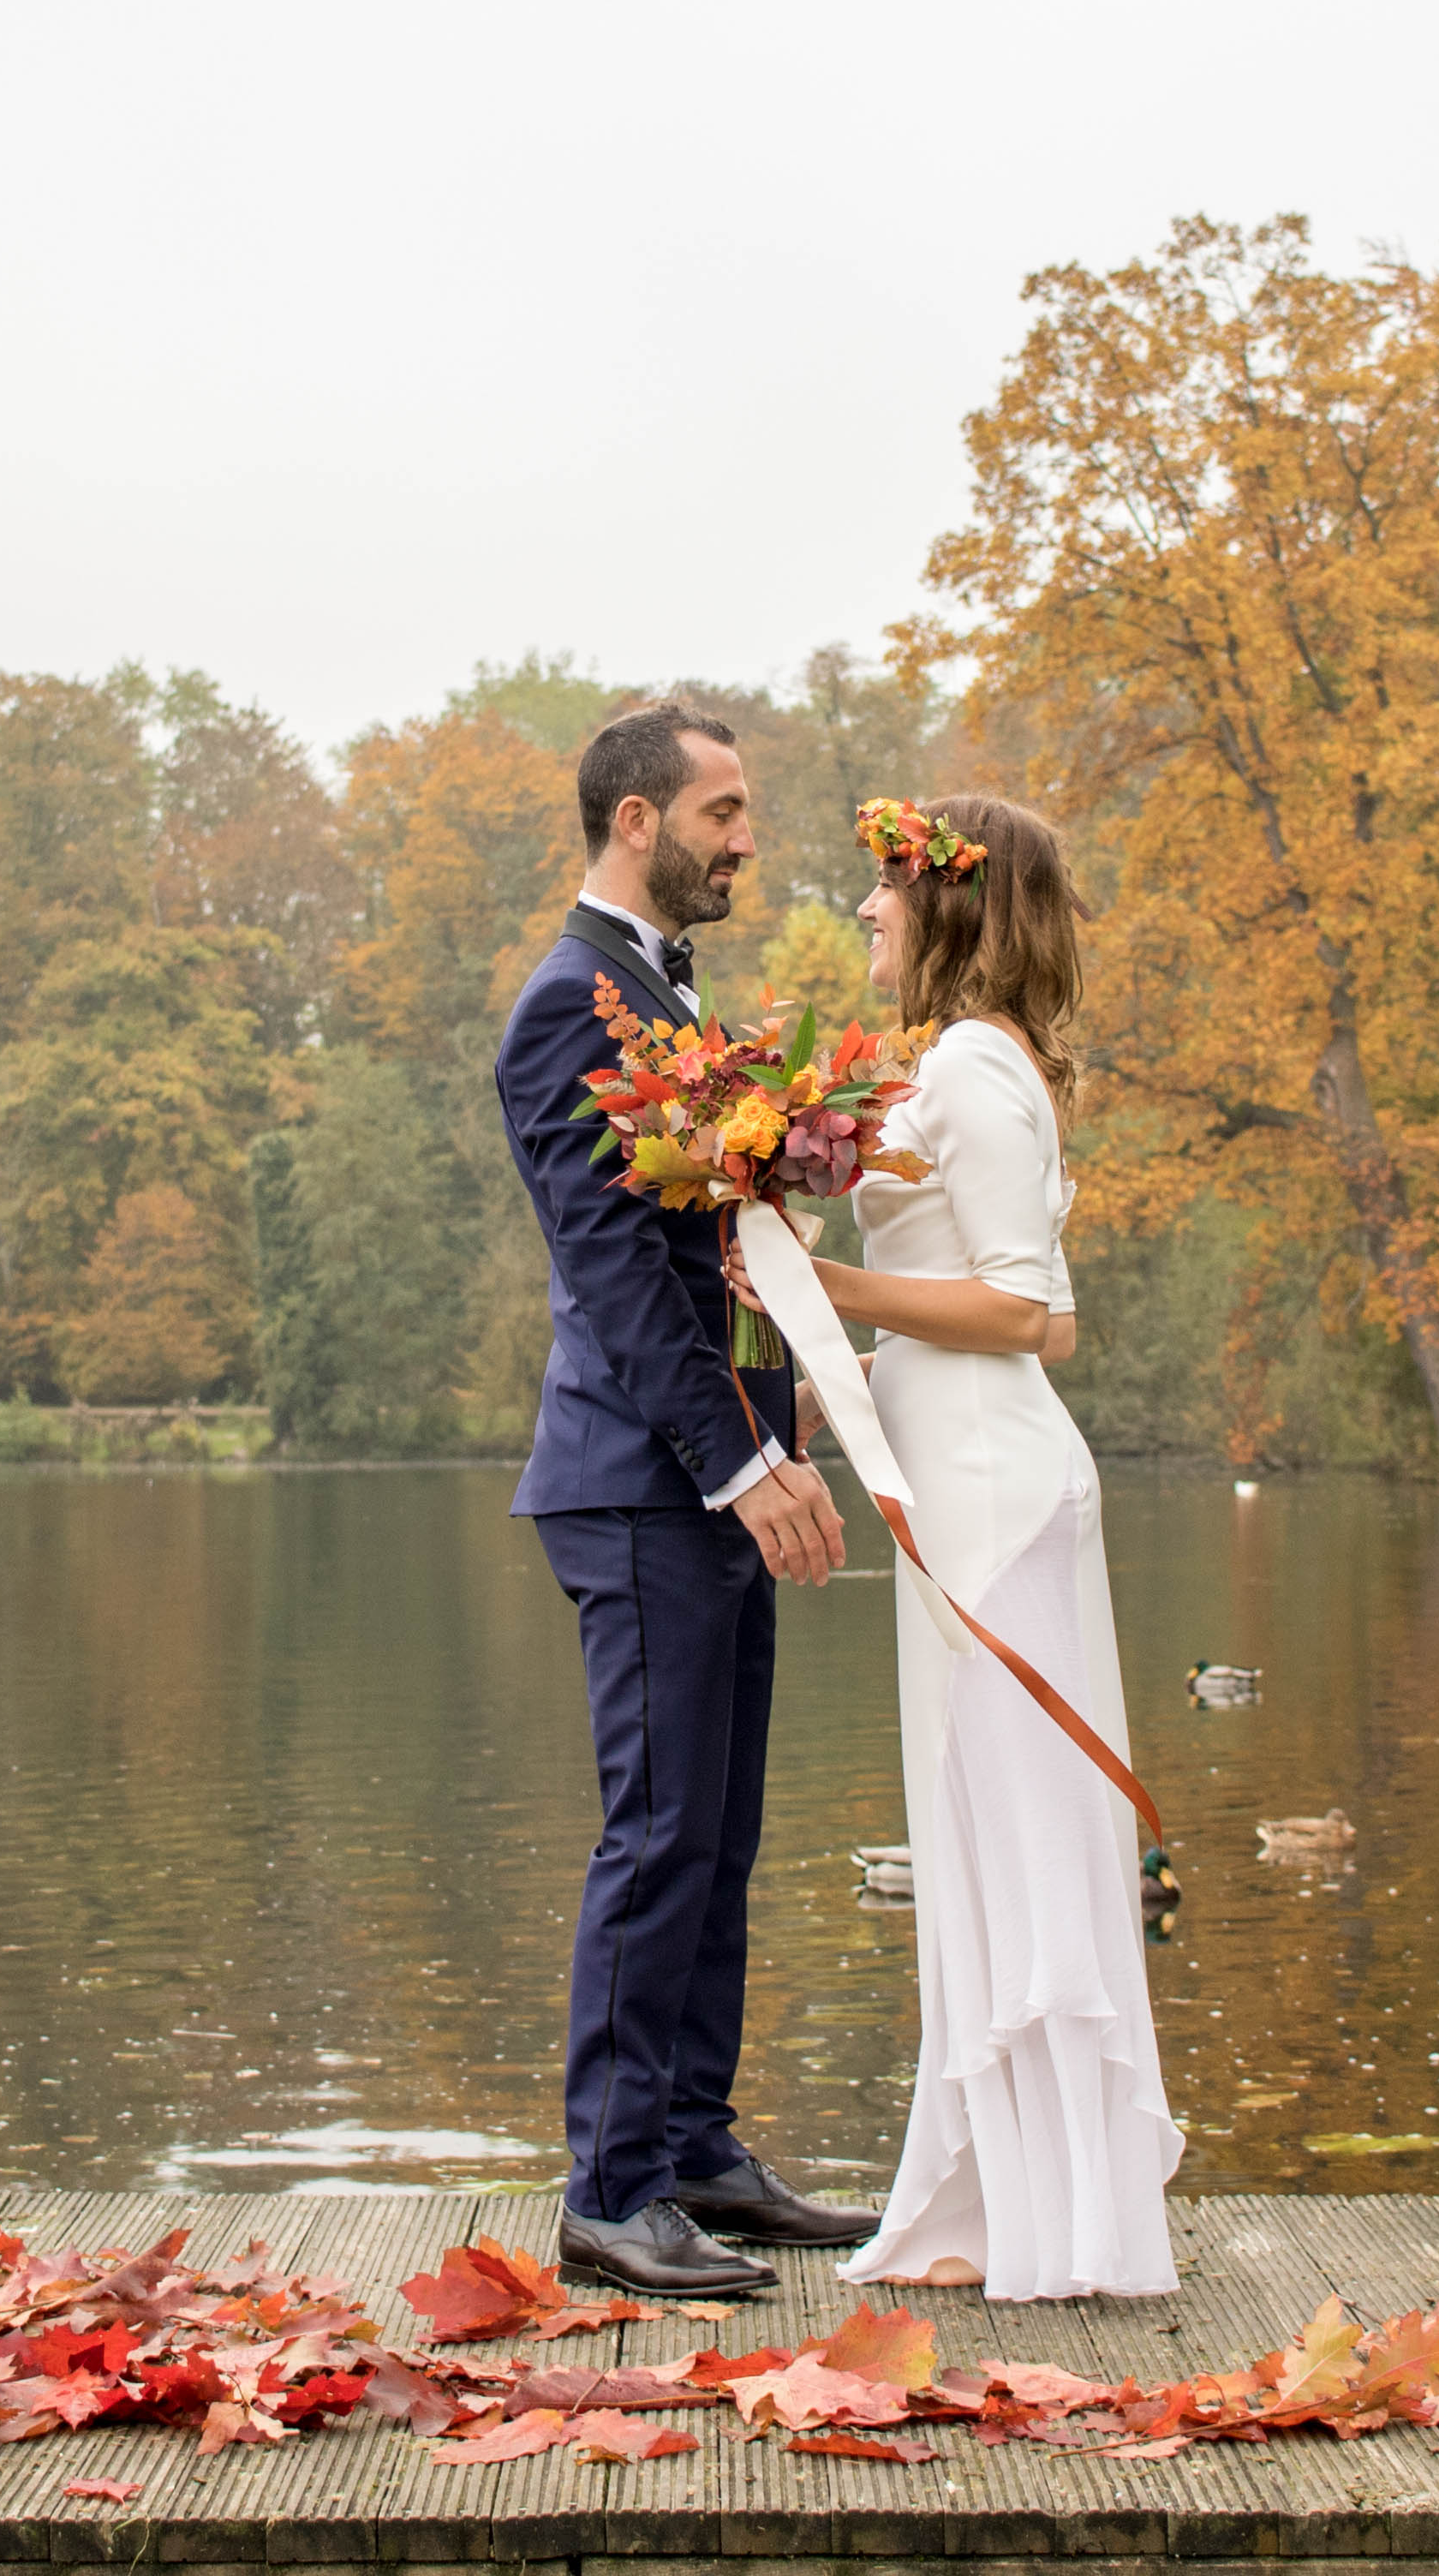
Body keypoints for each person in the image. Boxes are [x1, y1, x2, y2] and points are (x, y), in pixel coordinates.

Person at [760, 790, 1179, 2299]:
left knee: (1023, 1848)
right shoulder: (951, 1068)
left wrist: (831, 1291)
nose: (865, 912)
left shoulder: (983, 1074)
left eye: (883, 892)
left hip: (1000, 1506)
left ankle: (1065, 2223)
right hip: (961, 1480)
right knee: (978, 1846)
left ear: (948, 907)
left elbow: (1024, 1320)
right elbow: (1025, 1313)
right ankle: (997, 2204)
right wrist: (855, 1375)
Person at [493, 701, 882, 2301]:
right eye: (725, 810)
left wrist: (775, 1446)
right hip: (647, 1483)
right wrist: (737, 1460)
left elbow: (715, 1252)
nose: (746, 836)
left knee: (715, 1835)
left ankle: (697, 2147)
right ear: (638, 819)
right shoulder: (568, 1007)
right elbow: (612, 1273)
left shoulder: (661, 992)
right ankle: (610, 2188)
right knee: (657, 1835)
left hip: (717, 1479)